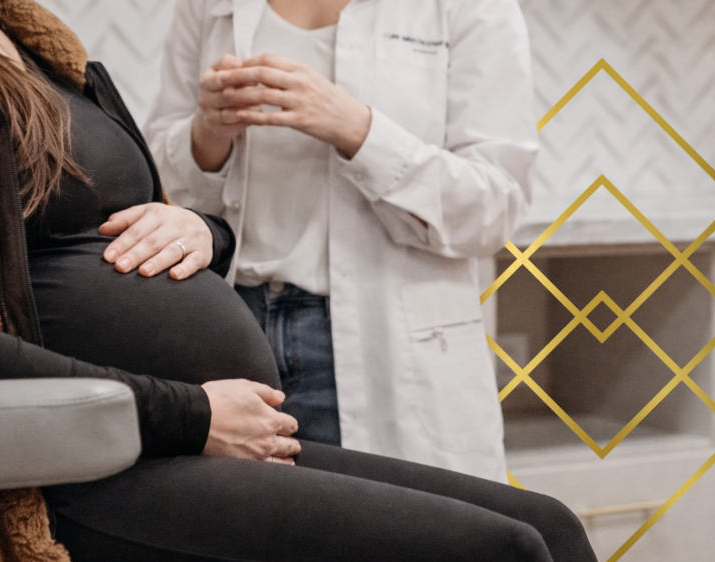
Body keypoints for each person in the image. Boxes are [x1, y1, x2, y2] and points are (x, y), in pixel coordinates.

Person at [0, 0, 596, 562]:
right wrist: (188, 414)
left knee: (550, 525)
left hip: (186, 429)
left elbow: (161, 217)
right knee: (505, 555)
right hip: (76, 468)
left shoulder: (27, 44)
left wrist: (203, 230)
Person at [145, 0, 537, 479]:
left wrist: (357, 129)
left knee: (391, 540)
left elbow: (496, 204)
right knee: (246, 543)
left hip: (381, 344)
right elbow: (164, 179)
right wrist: (207, 133)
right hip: (233, 332)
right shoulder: (207, 6)